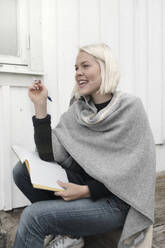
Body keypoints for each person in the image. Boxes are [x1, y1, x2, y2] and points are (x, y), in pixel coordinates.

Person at [13, 43, 156, 248]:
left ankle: (65, 230)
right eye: (76, 68)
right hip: (85, 185)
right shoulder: (79, 110)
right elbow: (49, 155)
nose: (78, 73)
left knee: (33, 217)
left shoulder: (130, 108)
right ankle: (71, 234)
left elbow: (133, 174)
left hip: (118, 201)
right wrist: (40, 106)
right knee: (22, 172)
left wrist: (86, 190)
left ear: (105, 68)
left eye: (85, 66)